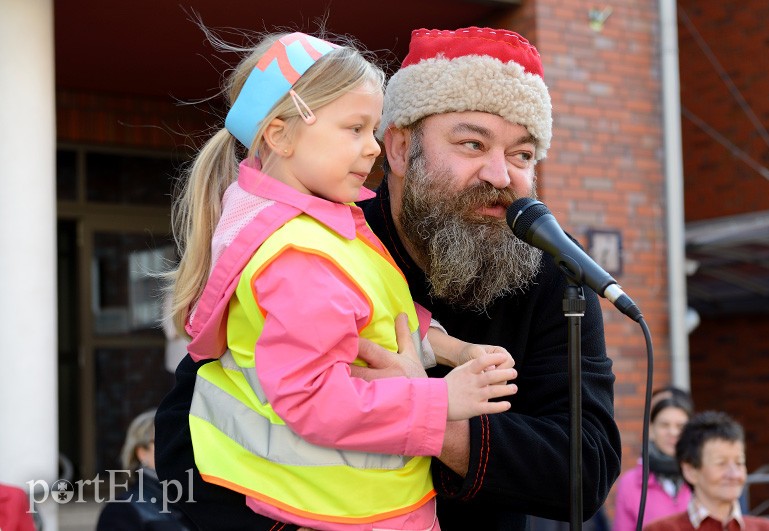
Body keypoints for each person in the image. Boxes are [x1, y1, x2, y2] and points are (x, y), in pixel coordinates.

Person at [155, 26, 622, 531]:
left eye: (522, 155)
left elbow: (585, 468)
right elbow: (185, 437)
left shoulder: (552, 271)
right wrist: (414, 407)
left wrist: (428, 418)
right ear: (398, 149)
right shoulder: (323, 239)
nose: (500, 175)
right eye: (472, 143)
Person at [644, 411, 769, 531]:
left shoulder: (768, 529)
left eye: (739, 463)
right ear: (691, 471)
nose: (734, 474)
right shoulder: (660, 529)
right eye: (721, 463)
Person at [96, 409, 194, 530]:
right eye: (163, 441)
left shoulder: (199, 503)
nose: (173, 448)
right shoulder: (121, 512)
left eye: (178, 441)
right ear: (141, 452)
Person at [614, 392, 694, 530]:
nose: (673, 432)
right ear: (651, 429)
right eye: (664, 425)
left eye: (680, 426)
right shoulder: (630, 483)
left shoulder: (705, 477)